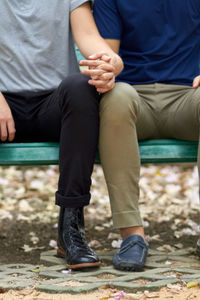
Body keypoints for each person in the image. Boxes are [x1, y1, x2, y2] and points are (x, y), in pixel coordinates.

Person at [0, 0, 123, 270]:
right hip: (3, 105)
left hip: (53, 106)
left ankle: (71, 229)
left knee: (82, 85)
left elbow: (91, 39)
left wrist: (110, 63)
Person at [93, 0, 200, 271]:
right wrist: (106, 70)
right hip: (133, 98)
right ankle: (132, 237)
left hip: (188, 97)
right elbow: (108, 55)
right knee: (116, 97)